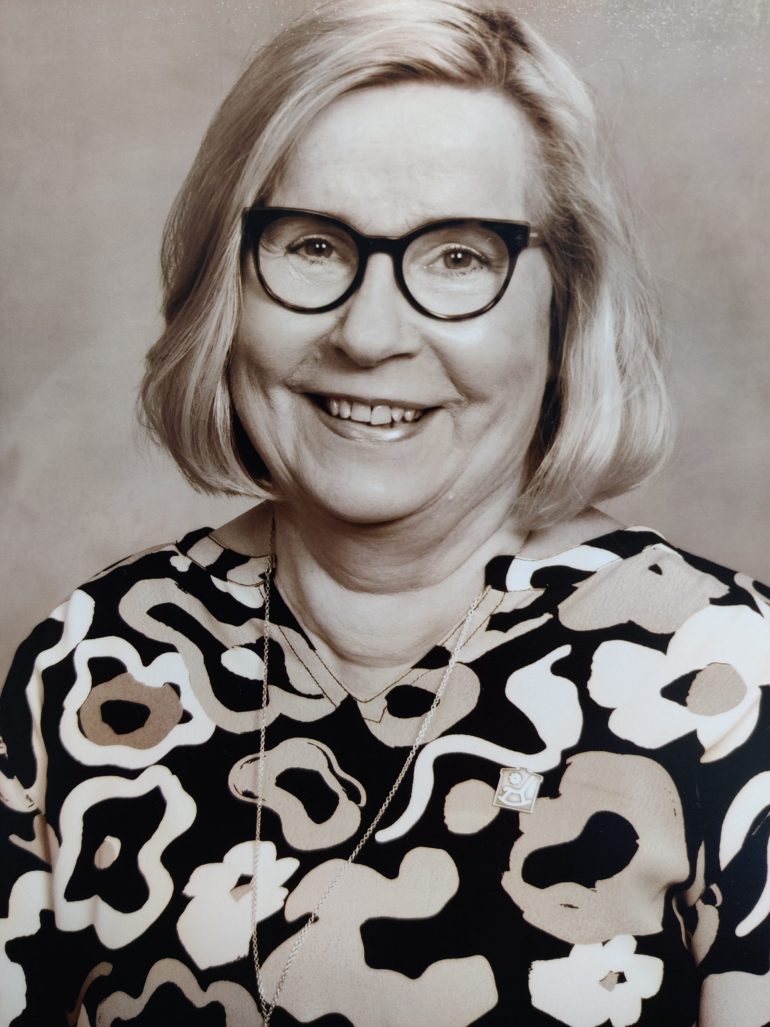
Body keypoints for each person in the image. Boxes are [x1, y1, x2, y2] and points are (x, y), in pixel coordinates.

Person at [1, 0, 769, 1024]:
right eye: (313, 245)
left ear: (565, 305)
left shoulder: (728, 681)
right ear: (225, 282)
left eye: (458, 257)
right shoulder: (90, 667)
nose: (367, 335)